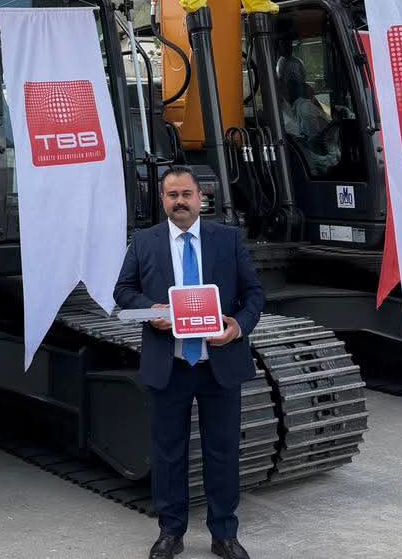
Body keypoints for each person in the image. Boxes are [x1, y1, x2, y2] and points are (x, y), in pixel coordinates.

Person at [114, 166, 264, 559]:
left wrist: (238, 328)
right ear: (162, 200)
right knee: (168, 452)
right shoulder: (144, 242)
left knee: (223, 451)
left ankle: (224, 534)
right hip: (171, 365)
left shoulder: (228, 239)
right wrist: (150, 309)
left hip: (219, 364)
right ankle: (171, 532)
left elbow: (254, 294)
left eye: (186, 194)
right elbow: (123, 290)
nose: (179, 202)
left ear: (201, 197)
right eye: (172, 195)